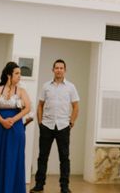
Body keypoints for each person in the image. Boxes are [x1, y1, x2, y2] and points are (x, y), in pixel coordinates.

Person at [0, 61, 31, 193]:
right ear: (9, 75)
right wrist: (2, 121)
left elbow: (28, 108)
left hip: (15, 129)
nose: (20, 76)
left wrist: (12, 120)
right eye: (17, 73)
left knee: (13, 158)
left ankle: (12, 189)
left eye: (20, 73)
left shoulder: (21, 91)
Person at [30, 59, 80, 193]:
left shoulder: (71, 87)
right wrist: (40, 123)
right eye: (56, 68)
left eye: (61, 68)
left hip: (63, 126)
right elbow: (40, 105)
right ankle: (39, 185)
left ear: (65, 70)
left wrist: (71, 122)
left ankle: (64, 186)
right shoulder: (46, 86)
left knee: (64, 157)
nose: (59, 70)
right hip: (47, 125)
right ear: (53, 70)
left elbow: (76, 106)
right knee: (42, 156)